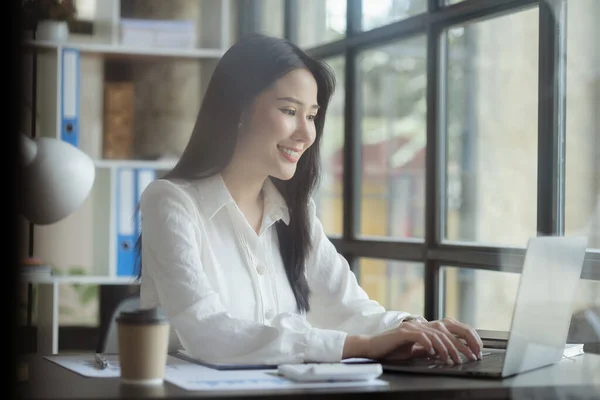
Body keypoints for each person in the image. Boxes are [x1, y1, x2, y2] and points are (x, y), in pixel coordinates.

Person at [137, 33, 483, 366]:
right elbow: (208, 332)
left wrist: (412, 328)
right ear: (239, 110)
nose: (306, 133)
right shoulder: (170, 202)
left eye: (312, 116)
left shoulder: (295, 213)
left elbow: (347, 306)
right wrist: (362, 347)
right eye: (290, 111)